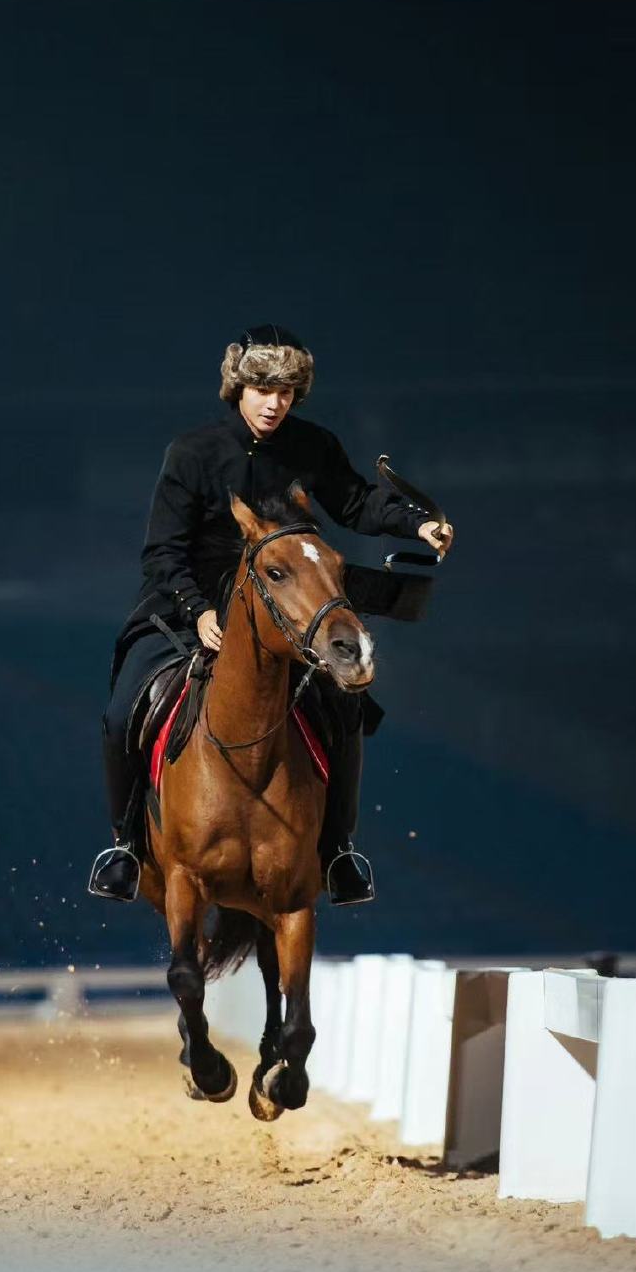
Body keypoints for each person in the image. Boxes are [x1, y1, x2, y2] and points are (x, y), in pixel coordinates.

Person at [89, 324, 453, 907]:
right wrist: (198, 611)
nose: (274, 403)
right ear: (238, 387)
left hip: (281, 611)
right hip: (188, 607)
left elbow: (356, 502)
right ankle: (126, 846)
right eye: (263, 389)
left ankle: (338, 851)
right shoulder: (192, 452)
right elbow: (162, 553)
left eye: (285, 392)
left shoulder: (314, 445)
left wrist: (418, 523)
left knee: (346, 708)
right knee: (119, 712)